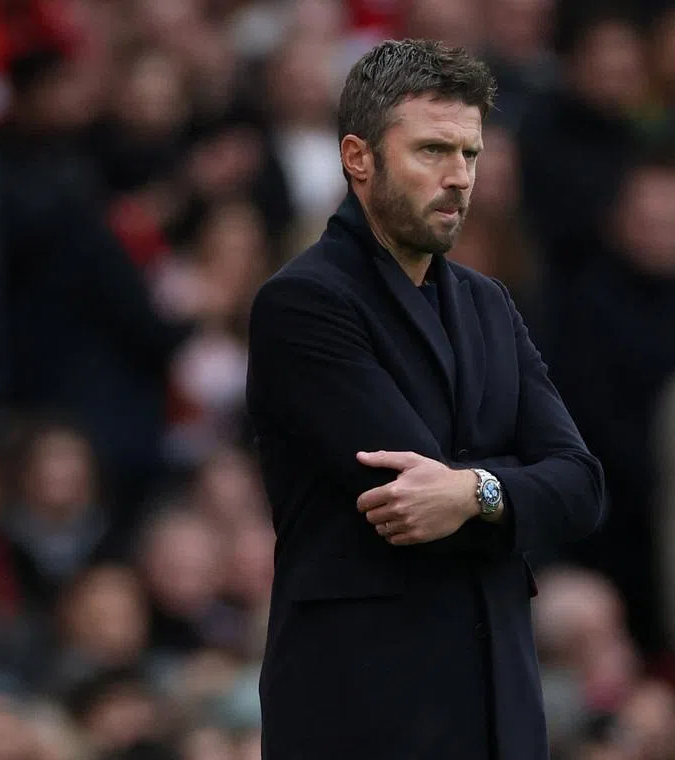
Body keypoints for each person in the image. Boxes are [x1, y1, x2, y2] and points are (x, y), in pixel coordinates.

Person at [245, 39, 606, 760]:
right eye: (433, 152)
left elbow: (584, 488)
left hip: (498, 706)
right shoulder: (303, 303)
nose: (459, 178)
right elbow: (407, 498)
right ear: (359, 157)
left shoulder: (489, 304)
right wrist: (510, 490)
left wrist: (477, 491)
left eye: (470, 155)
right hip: (364, 713)